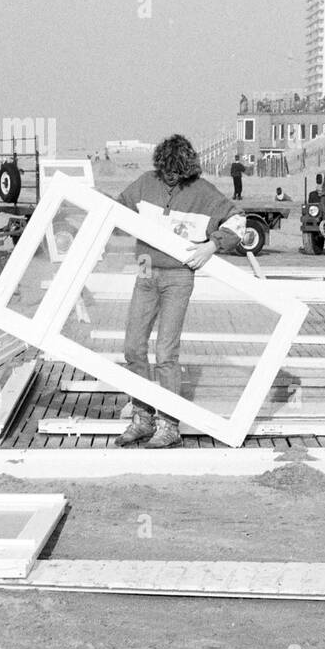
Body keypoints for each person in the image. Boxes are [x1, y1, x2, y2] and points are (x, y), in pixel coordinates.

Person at [115, 134, 244, 449]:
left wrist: (212, 245)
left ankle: (169, 424)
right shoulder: (145, 184)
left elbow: (238, 221)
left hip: (178, 277)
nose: (170, 177)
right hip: (145, 270)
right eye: (165, 170)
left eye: (177, 171)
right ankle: (143, 418)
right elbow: (116, 212)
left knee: (165, 354)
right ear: (159, 166)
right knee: (133, 348)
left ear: (187, 169)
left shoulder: (203, 193)